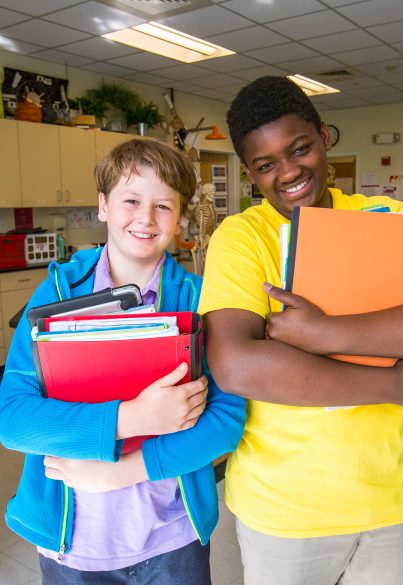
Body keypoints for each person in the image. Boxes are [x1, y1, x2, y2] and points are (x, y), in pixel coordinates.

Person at [198, 76, 403, 585]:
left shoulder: (387, 217)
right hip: (284, 510)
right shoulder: (242, 237)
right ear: (250, 172)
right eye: (266, 165)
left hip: (394, 496)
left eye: (299, 148)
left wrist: (321, 333)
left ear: (324, 136)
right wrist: (394, 383)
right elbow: (237, 364)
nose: (288, 173)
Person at [0, 138, 246, 585]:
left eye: (164, 206)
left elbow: (228, 419)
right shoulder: (56, 296)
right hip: (73, 545)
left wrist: (127, 471)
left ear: (179, 217)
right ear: (103, 206)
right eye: (130, 200)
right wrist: (130, 418)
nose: (146, 218)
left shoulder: (199, 301)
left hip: (173, 539)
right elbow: (14, 420)